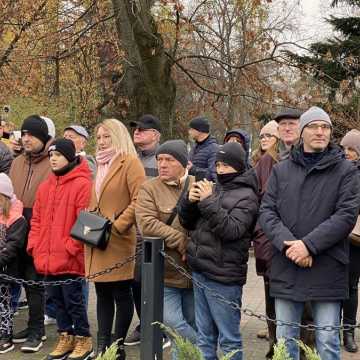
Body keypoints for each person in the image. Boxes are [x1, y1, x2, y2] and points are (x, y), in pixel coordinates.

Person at [259, 106, 360, 360]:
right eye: (314, 126)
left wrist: (308, 246)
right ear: (302, 132)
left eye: (325, 127)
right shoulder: (281, 170)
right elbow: (268, 212)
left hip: (327, 266)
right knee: (285, 341)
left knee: (326, 341)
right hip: (287, 265)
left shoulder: (346, 171)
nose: (320, 131)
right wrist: (290, 246)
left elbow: (345, 215)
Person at [178, 142, 259, 360]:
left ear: (238, 166)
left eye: (226, 166)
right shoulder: (214, 187)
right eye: (218, 165)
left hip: (224, 277)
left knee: (228, 339)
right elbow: (187, 222)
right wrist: (189, 201)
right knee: (205, 337)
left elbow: (232, 230)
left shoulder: (247, 196)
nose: (220, 170)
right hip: (200, 270)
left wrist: (207, 201)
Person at [84, 119, 145, 359]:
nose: (101, 141)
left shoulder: (129, 162)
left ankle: (116, 346)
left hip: (118, 239)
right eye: (98, 137)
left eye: (106, 137)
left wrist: (119, 225)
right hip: (97, 238)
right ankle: (102, 346)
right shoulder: (100, 164)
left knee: (121, 293)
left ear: (118, 136)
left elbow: (139, 199)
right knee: (102, 294)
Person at [28, 139, 93, 360]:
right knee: (56, 301)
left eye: (58, 155)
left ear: (70, 156)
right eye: (51, 155)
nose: (53, 159)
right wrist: (34, 246)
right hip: (46, 257)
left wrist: (69, 248)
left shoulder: (83, 184)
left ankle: (84, 339)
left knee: (74, 301)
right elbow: (36, 220)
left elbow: (85, 222)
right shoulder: (45, 186)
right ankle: (66, 336)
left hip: (69, 258)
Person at [136, 140, 197, 359]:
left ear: (183, 163)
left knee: (191, 322)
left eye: (169, 160)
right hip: (165, 275)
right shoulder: (149, 188)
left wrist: (194, 247)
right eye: (159, 159)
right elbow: (147, 224)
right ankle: (205, 348)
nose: (162, 164)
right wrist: (181, 241)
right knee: (173, 324)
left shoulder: (198, 184)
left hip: (192, 272)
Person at [9, 115, 53, 353]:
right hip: (16, 228)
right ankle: (27, 326)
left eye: (31, 135)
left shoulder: (53, 162)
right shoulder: (17, 162)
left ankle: (37, 329)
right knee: (17, 280)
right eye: (24, 134)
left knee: (34, 283)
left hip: (40, 228)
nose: (26, 139)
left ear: (44, 138)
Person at [125, 114, 161, 346]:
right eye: (135, 128)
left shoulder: (165, 160)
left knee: (158, 282)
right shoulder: (130, 160)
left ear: (156, 135)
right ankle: (144, 323)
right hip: (132, 232)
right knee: (136, 282)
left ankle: (160, 327)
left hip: (156, 233)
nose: (137, 132)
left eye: (143, 129)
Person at [251, 120, 280, 358]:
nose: (263, 138)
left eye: (269, 135)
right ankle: (274, 343)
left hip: (279, 239)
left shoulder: (275, 162)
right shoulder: (259, 162)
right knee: (270, 297)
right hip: (266, 240)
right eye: (261, 135)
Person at [0, 174, 27, 354]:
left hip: (5, 271)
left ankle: (5, 335)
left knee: (4, 305)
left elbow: (13, 246)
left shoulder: (17, 219)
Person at [340, 129, 360, 353]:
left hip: (355, 240)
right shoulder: (337, 170)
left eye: (352, 149)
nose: (347, 153)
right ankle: (331, 327)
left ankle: (348, 331)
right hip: (336, 236)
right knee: (335, 285)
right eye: (344, 148)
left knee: (351, 287)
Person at [188, 116, 218, 182]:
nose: (189, 132)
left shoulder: (214, 149)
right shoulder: (193, 148)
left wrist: (193, 169)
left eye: (191, 129)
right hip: (192, 189)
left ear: (200, 130)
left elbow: (214, 175)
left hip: (205, 190)